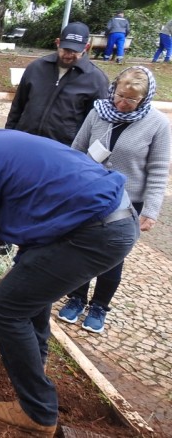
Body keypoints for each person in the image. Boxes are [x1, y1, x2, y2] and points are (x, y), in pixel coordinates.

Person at [0, 114, 139, 437]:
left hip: (94, 231)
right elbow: (40, 207)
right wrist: (23, 265)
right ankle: (37, 363)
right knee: (26, 292)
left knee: (4, 308)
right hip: (107, 219)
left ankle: (37, 411)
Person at [57, 66, 170, 333]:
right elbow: (77, 150)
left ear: (145, 98)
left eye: (131, 100)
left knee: (112, 255)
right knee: (81, 248)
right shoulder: (98, 112)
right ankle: (76, 297)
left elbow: (158, 169)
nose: (123, 103)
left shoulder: (157, 124)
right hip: (90, 194)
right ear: (114, 89)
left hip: (128, 202)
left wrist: (151, 210)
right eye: (120, 96)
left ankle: (99, 306)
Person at [0, 21, 108, 255]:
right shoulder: (36, 68)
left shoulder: (96, 80)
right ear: (57, 43)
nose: (69, 54)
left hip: (61, 152)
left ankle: (33, 243)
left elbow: (95, 124)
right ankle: (4, 238)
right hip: (24, 144)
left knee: (45, 199)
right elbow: (18, 106)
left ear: (87, 47)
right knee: (13, 192)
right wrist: (10, 135)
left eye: (75, 50)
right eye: (65, 48)